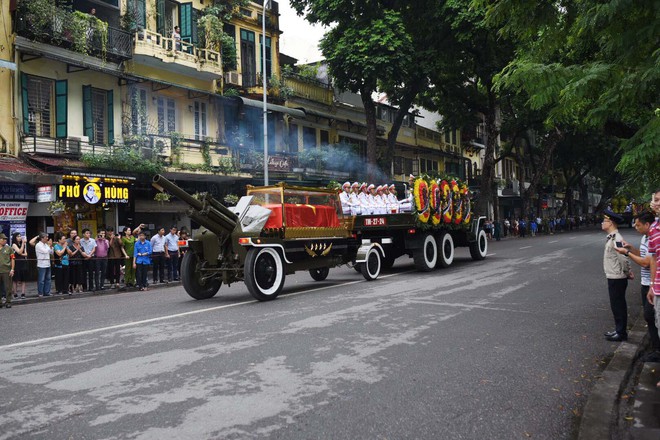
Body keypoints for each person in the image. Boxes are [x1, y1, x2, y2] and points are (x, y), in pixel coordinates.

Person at [615, 211, 659, 361]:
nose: (635, 227)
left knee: (650, 315)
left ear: (647, 224)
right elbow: (644, 254)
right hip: (646, 283)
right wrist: (632, 248)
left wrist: (627, 253)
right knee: (650, 317)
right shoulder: (645, 237)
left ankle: (657, 350)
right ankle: (655, 348)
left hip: (651, 284)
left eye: (638, 224)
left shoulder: (653, 236)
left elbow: (647, 262)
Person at [601, 209, 632, 341]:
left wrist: (627, 271)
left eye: (605, 221)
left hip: (617, 277)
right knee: (616, 305)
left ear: (611, 223)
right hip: (613, 276)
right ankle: (618, 329)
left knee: (618, 305)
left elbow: (623, 258)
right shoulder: (612, 237)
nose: (602, 223)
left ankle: (621, 333)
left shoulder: (617, 239)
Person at [645, 190, 660, 383]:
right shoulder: (654, 228)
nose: (653, 203)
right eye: (653, 199)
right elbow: (655, 259)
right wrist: (651, 285)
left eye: (657, 200)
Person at [30, 233, 53, 297]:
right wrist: (49, 246)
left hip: (48, 263)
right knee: (41, 280)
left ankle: (47, 292)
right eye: (46, 237)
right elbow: (45, 251)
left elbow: (51, 252)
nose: (47, 238)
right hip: (41, 264)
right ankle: (40, 292)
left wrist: (50, 246)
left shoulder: (46, 244)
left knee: (48, 279)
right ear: (42, 238)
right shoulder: (38, 245)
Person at [0, 233, 15, 308]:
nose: (5, 240)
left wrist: (12, 269)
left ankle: (8, 301)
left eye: (5, 239)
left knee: (8, 287)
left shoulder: (9, 248)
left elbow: (12, 259)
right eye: (3, 239)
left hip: (6, 270)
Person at [11, 232, 27, 300]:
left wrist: (23, 245)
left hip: (23, 262)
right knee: (15, 279)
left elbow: (26, 254)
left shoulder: (22, 244)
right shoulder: (14, 244)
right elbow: (20, 252)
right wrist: (23, 244)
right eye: (18, 236)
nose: (20, 237)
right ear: (15, 237)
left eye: (20, 236)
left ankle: (23, 293)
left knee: (23, 278)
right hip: (16, 262)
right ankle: (15, 293)